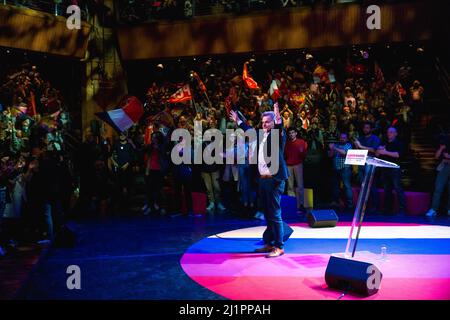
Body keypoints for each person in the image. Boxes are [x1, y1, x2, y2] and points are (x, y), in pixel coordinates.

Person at [229, 101, 289, 258]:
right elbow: (249, 129)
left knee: (275, 214)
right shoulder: (261, 135)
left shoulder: (277, 135)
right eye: (263, 122)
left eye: (267, 122)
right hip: (263, 180)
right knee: (267, 213)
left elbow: (279, 125)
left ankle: (279, 246)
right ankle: (269, 243)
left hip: (274, 180)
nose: (264, 125)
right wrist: (238, 120)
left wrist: (276, 112)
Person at [376, 127, 407, 215]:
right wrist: (378, 151)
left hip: (395, 169)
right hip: (384, 169)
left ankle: (402, 209)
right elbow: (378, 154)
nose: (389, 134)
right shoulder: (384, 143)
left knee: (398, 188)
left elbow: (398, 155)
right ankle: (388, 209)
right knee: (387, 190)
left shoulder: (399, 143)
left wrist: (385, 152)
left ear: (396, 134)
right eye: (388, 132)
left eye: (391, 132)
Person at [354, 121, 381, 212]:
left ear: (371, 129)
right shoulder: (360, 138)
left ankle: (374, 207)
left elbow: (374, 150)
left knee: (371, 185)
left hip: (370, 163)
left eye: (367, 128)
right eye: (364, 128)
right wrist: (357, 145)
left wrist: (361, 146)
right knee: (363, 185)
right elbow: (359, 150)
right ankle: (364, 207)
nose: (365, 129)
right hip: (361, 162)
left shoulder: (375, 138)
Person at [284, 127, 308, 214]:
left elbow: (304, 153)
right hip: (289, 165)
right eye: (290, 133)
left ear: (296, 133)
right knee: (290, 186)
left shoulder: (301, 142)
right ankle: (292, 204)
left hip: (298, 164)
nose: (291, 134)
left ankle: (301, 204)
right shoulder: (286, 143)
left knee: (300, 185)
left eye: (293, 132)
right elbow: (284, 154)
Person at [328, 132, 353, 212]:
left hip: (345, 168)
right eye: (341, 137)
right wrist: (331, 149)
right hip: (336, 169)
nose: (342, 139)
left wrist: (334, 148)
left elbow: (345, 153)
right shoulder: (336, 145)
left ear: (347, 139)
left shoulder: (348, 145)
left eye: (344, 137)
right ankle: (338, 203)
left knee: (347, 186)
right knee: (336, 187)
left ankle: (350, 205)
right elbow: (330, 155)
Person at [425, 137, 450, 217]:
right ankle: (434, 209)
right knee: (438, 189)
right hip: (443, 168)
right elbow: (436, 156)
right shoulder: (445, 142)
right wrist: (441, 148)